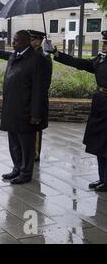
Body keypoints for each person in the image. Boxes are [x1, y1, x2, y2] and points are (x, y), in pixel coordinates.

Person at [51, 31, 107, 192]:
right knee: (98, 144)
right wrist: (57, 53)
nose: (103, 45)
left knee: (105, 144)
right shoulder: (100, 59)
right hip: (100, 103)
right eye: (103, 43)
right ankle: (102, 177)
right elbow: (80, 63)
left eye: (106, 43)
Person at [0, 30, 47, 184]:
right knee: (14, 142)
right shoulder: (15, 55)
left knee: (26, 144)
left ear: (26, 42)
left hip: (26, 110)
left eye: (16, 41)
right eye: (13, 40)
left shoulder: (36, 59)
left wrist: (36, 114)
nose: (13, 43)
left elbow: (38, 89)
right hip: (12, 107)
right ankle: (17, 168)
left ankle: (26, 173)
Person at [28, 30, 53, 162]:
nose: (29, 42)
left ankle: (36, 153)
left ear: (38, 41)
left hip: (39, 98)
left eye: (31, 40)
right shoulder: (31, 55)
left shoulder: (43, 57)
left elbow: (43, 83)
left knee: (36, 129)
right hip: (29, 98)